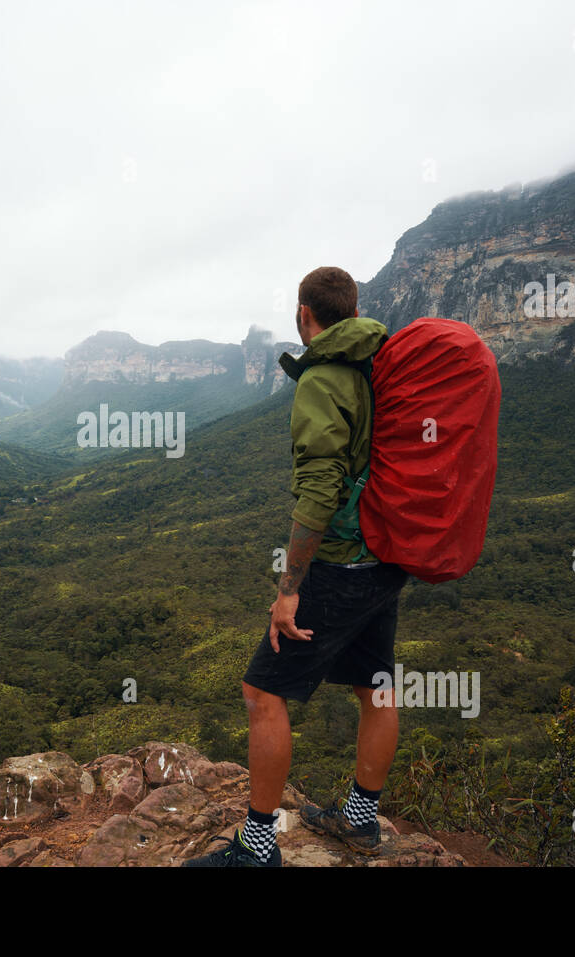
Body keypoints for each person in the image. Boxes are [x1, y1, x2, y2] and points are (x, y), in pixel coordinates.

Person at [184, 266, 409, 867]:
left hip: (340, 564)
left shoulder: (323, 379)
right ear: (353, 310)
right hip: (387, 556)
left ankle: (257, 849)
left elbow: (318, 492)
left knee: (261, 691)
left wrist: (290, 588)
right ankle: (361, 821)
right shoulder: (380, 363)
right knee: (376, 685)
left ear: (305, 314)